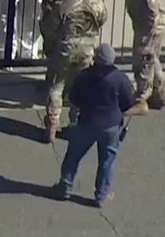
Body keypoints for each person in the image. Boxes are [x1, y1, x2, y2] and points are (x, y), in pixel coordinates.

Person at [54, 44, 136, 208]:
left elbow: (74, 98)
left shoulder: (83, 76)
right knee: (107, 161)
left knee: (73, 156)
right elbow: (128, 103)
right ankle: (101, 195)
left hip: (87, 122)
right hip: (111, 126)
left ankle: (64, 187)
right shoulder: (120, 79)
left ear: (95, 59)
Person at [44, 0, 107, 142]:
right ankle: (75, 123)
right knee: (80, 87)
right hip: (87, 49)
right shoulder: (97, 5)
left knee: (57, 85)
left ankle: (52, 123)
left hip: (67, 49)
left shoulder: (64, 6)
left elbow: (51, 29)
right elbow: (102, 20)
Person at [124, 0, 165, 113]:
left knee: (143, 61)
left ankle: (142, 99)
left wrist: (147, 37)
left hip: (148, 28)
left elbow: (153, 12)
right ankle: (159, 93)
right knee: (153, 58)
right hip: (155, 25)